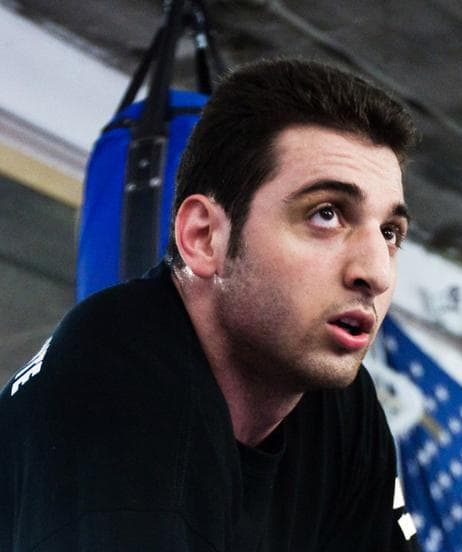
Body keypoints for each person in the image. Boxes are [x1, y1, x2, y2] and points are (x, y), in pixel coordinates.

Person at [0, 57, 419, 551]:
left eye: (389, 233)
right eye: (325, 214)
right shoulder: (118, 375)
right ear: (203, 237)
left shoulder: (340, 408)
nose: (375, 272)